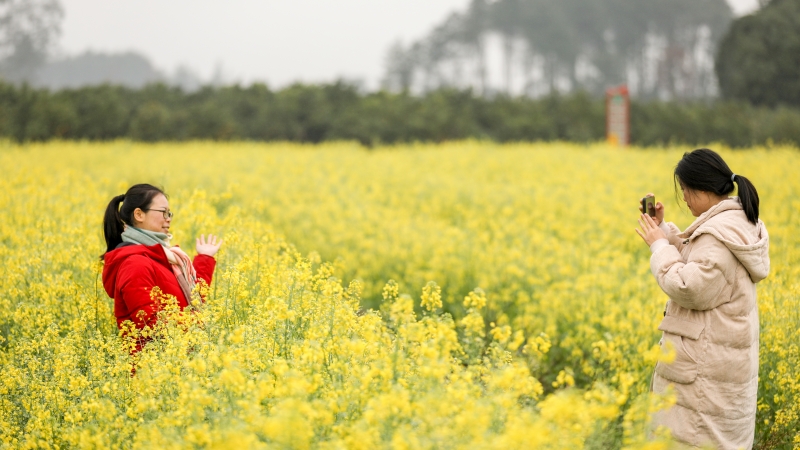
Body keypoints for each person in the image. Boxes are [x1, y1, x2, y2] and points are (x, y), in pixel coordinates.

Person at [635, 148, 769, 449]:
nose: (683, 198)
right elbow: (701, 262)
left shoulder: (719, 236)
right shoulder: (733, 225)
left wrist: (659, 248)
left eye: (685, 190)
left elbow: (689, 286)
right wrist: (664, 233)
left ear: (703, 188)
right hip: (715, 369)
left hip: (705, 379)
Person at [101, 184, 223, 350]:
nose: (168, 218)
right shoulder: (134, 264)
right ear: (139, 214)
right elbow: (149, 323)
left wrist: (205, 259)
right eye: (163, 212)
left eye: (169, 213)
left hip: (175, 363)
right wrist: (199, 321)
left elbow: (192, 299)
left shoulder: (164, 257)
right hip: (152, 369)